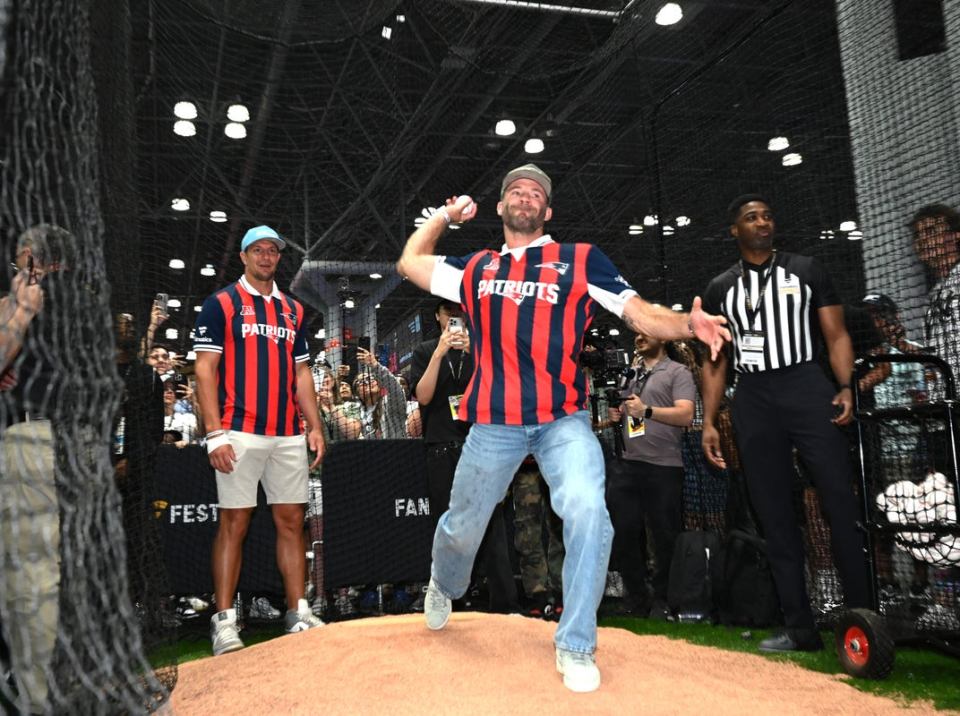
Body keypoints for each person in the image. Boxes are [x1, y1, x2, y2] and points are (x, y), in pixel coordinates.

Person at [395, 163, 729, 692]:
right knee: (462, 525)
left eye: (536, 193)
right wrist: (444, 216)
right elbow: (409, 262)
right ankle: (444, 582)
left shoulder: (579, 260)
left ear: (547, 211)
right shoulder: (477, 267)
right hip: (494, 424)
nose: (525, 197)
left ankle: (575, 644)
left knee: (589, 513)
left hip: (562, 421)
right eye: (515, 192)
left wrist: (689, 324)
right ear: (502, 208)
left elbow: (640, 314)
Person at [700, 194, 870, 653]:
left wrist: (845, 385)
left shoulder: (807, 269)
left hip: (806, 386)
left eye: (768, 216)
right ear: (734, 231)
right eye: (751, 218)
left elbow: (836, 334)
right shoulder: (720, 288)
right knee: (773, 514)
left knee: (839, 502)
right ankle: (800, 628)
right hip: (753, 396)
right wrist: (710, 420)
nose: (762, 222)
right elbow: (714, 363)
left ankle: (863, 620)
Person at [194, 224, 325, 656]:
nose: (267, 257)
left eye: (273, 251)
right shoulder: (221, 304)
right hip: (238, 431)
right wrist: (214, 434)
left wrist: (315, 425)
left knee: (292, 522)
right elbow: (205, 371)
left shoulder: (293, 310)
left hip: (287, 434)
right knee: (235, 523)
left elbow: (302, 372)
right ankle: (225, 621)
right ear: (244, 256)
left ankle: (298, 612)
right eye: (259, 250)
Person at [409, 298, 519, 615]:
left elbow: (502, 387)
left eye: (460, 314)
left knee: (493, 524)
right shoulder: (425, 350)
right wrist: (440, 353)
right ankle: (448, 603)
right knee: (447, 526)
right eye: (449, 314)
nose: (455, 320)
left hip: (482, 446)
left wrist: (475, 351)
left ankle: (505, 605)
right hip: (441, 447)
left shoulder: (483, 347)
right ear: (438, 316)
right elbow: (423, 396)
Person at [0, 225, 69, 713]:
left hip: (35, 442)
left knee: (38, 579)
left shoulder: (59, 309)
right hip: (21, 443)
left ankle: (33, 694)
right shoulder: (16, 302)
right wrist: (20, 312)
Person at [606, 331, 695, 618]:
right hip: (627, 463)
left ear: (664, 339)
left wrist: (647, 410)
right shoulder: (629, 373)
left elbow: (686, 415)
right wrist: (617, 414)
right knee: (623, 532)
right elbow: (625, 409)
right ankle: (637, 596)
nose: (639, 337)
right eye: (637, 333)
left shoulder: (677, 371)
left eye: (647, 333)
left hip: (664, 465)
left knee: (665, 535)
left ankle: (665, 598)